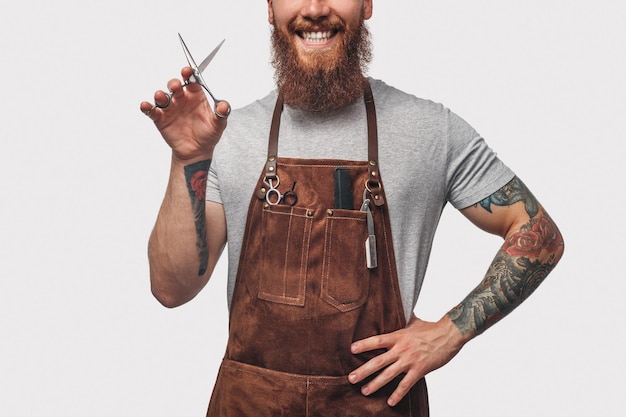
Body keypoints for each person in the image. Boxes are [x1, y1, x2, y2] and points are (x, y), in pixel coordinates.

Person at [140, 1, 564, 415]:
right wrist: (187, 158)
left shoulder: (431, 130)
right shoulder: (228, 137)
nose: (316, 8)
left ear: (367, 4)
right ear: (269, 7)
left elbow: (538, 232)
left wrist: (450, 332)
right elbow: (172, 289)